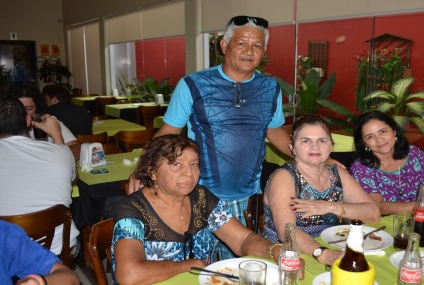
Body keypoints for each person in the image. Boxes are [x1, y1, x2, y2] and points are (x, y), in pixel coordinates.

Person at [147, 15, 291, 260]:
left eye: (257, 46)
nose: (249, 51)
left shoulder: (270, 88)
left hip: (248, 199)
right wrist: (143, 173)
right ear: (224, 46)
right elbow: (167, 134)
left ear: (264, 51)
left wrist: (314, 158)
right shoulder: (193, 84)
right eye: (241, 44)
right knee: (198, 266)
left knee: (240, 266)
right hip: (199, 195)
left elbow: (274, 130)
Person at [112, 134, 304, 284]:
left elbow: (242, 238)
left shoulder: (201, 197)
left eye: (194, 164)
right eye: (176, 165)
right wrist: (187, 266)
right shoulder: (132, 209)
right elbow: (129, 274)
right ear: (152, 171)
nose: (189, 172)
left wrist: (275, 250)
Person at [263, 115, 380, 266]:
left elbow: (373, 213)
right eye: (306, 141)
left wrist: (331, 207)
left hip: (329, 246)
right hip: (286, 256)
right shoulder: (284, 177)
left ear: (331, 146)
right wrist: (323, 254)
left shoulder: (337, 172)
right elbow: (287, 233)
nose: (315, 147)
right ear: (292, 147)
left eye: (322, 141)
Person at [0, 96, 80, 257]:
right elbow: (72, 178)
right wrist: (57, 135)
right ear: (28, 120)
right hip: (58, 252)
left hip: (6, 256)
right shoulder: (61, 152)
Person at [8, 84, 81, 160]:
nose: (24, 113)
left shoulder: (48, 122)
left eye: (29, 109)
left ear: (37, 108)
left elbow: (77, 149)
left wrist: (51, 152)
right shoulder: (6, 127)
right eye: (19, 108)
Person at [0, 220, 80, 285]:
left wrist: (38, 281)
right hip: (58, 250)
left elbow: (72, 278)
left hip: (40, 258)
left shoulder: (5, 235)